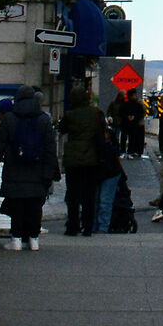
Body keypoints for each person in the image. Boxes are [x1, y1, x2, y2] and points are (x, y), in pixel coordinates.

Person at [0, 86, 58, 251]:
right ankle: (34, 239)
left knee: (16, 205)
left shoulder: (9, 119)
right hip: (37, 169)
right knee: (35, 206)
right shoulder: (43, 119)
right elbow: (50, 148)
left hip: (14, 169)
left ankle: (16, 239)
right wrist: (51, 172)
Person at [59, 79, 109, 237]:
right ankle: (88, 226)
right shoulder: (95, 113)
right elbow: (101, 135)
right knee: (89, 195)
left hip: (73, 158)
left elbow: (62, 130)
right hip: (91, 157)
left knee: (73, 194)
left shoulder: (69, 115)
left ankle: (72, 226)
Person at [110, 87, 146, 159]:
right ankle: (128, 152)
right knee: (128, 138)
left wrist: (131, 117)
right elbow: (121, 113)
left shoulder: (130, 104)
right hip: (130, 124)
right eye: (134, 95)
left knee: (128, 138)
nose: (135, 96)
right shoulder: (134, 104)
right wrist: (131, 117)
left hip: (128, 124)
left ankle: (127, 152)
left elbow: (141, 113)